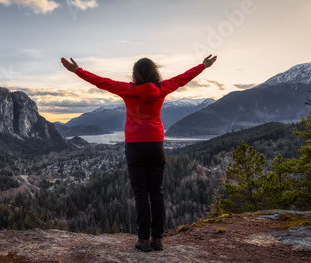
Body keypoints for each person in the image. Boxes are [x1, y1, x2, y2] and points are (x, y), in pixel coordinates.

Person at [61, 54, 217, 252]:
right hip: (156, 145)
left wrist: (77, 71)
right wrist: (203, 66)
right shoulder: (162, 88)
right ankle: (158, 239)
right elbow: (182, 78)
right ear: (155, 72)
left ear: (135, 74)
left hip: (135, 146)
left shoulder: (128, 90)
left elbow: (102, 82)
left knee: (141, 193)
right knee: (156, 192)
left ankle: (143, 239)